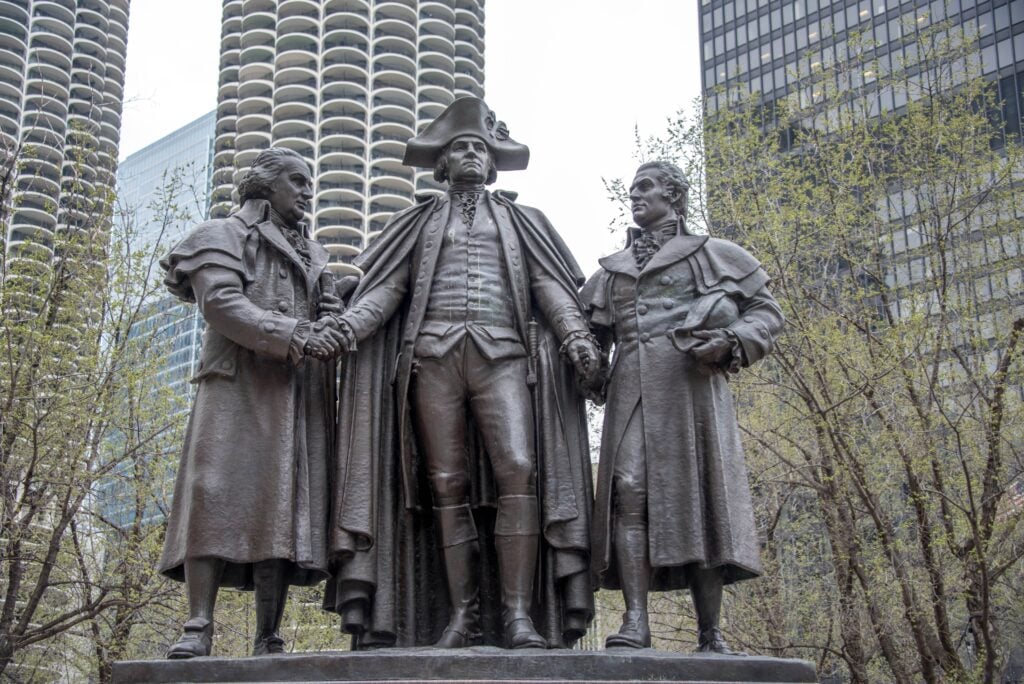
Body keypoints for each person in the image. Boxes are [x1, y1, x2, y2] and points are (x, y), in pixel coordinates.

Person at [324, 97, 599, 650]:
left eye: (478, 147)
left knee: (518, 470)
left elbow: (549, 286)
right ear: (442, 165)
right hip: (433, 357)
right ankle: (462, 617)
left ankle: (518, 615)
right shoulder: (418, 223)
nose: (470, 154)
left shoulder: (522, 221)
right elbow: (385, 290)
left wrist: (574, 336)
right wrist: (347, 328)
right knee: (446, 485)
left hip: (503, 357)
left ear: (492, 162)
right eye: (459, 148)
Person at [582, 161, 784, 653]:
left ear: (674, 196)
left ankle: (710, 631)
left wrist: (731, 340)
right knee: (628, 490)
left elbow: (766, 314)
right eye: (631, 189)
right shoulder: (611, 270)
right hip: (631, 392)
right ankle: (635, 621)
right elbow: (591, 335)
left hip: (691, 390)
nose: (636, 196)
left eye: (647, 187)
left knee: (700, 497)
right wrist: (584, 360)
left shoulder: (717, 255)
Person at [159, 147, 343, 658]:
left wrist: (333, 321)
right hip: (237, 387)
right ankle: (198, 625)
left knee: (281, 507)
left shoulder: (315, 252)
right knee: (214, 492)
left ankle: (269, 633)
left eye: (310, 183)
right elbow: (221, 304)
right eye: (298, 180)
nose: (308, 191)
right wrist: (294, 334)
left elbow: (328, 311)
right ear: (266, 185)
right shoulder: (220, 235)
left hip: (296, 394)